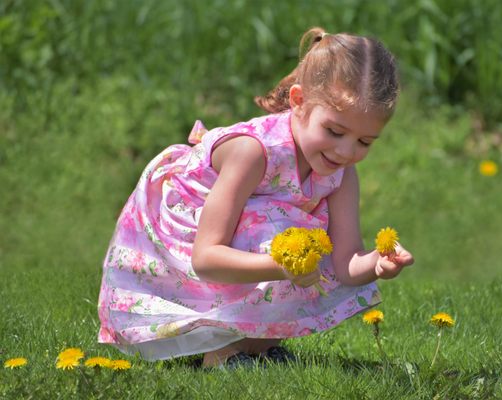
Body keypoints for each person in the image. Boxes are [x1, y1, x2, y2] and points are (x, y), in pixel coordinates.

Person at [97, 26, 414, 368]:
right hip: (182, 230)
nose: (346, 151)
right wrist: (282, 266)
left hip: (248, 235)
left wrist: (377, 264)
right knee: (284, 234)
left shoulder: (342, 174)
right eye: (334, 131)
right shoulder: (254, 153)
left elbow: (346, 264)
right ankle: (221, 351)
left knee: (308, 242)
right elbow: (206, 257)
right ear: (298, 102)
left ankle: (257, 345)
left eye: (364, 142)